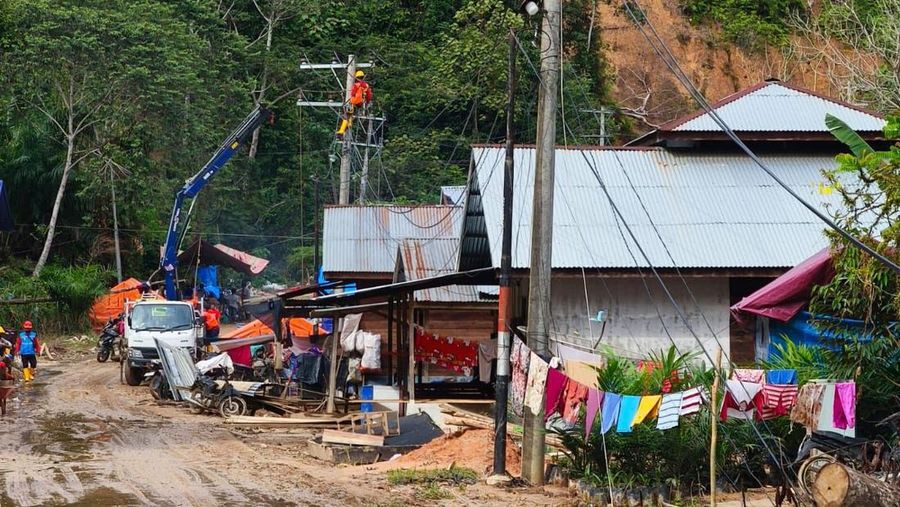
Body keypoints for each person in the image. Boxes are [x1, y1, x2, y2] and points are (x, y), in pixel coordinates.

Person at [336, 70, 373, 137]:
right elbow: (369, 96)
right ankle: (349, 123)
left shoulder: (356, 85)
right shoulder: (367, 86)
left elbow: (352, 93)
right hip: (361, 103)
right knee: (351, 113)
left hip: (354, 102)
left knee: (347, 114)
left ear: (357, 77)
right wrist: (367, 102)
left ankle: (342, 130)